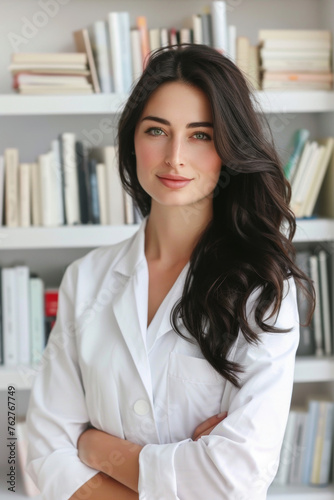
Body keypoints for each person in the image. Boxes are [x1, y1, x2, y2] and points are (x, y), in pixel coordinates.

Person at [26, 44, 315, 500]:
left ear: (229, 148)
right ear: (132, 141)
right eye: (157, 130)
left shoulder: (263, 289)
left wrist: (94, 446)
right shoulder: (87, 278)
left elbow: (235, 476)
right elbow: (44, 452)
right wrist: (176, 473)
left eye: (201, 135)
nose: (174, 156)